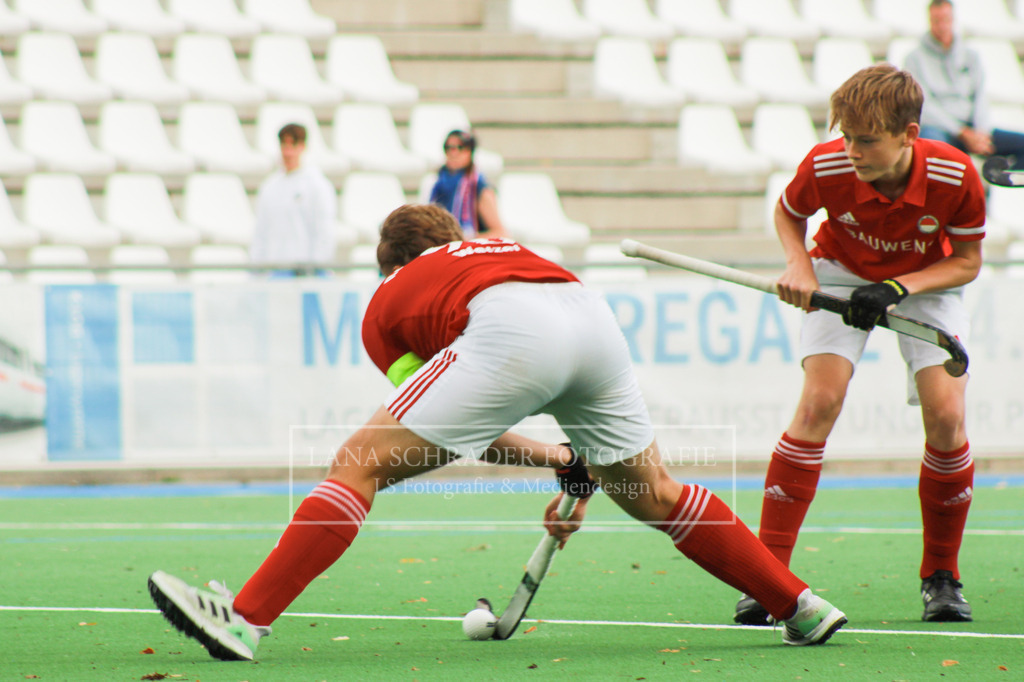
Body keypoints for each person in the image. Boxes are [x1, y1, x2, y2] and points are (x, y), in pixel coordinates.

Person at [148, 204, 847, 663]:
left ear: (389, 265)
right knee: (655, 494)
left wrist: (548, 456)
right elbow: (484, 403)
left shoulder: (390, 301)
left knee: (358, 463)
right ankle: (801, 607)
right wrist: (570, 459)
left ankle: (245, 619)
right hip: (590, 316)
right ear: (453, 242)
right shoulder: (496, 248)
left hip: (513, 326)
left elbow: (460, 427)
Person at [733, 64, 985, 627]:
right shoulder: (827, 163)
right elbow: (788, 211)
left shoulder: (954, 175)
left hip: (925, 279)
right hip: (841, 272)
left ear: (908, 136)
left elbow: (966, 262)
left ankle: (941, 577)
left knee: (947, 418)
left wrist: (898, 288)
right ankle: (768, 575)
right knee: (818, 404)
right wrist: (799, 266)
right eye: (845, 134)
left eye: (866, 139)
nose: (851, 149)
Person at [904, 0, 1024, 170]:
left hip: (973, 127)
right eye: (936, 20)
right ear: (929, 21)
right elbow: (924, 106)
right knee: (931, 148)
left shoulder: (970, 55)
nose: (942, 26)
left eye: (945, 19)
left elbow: (980, 96)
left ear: (953, 19)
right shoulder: (914, 59)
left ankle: (996, 177)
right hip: (940, 129)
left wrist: (981, 132)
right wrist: (961, 132)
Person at [249, 123, 337, 276]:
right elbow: (261, 233)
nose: (288, 152)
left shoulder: (317, 185)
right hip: (277, 272)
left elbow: (324, 232)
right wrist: (257, 271)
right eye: (284, 145)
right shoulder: (269, 187)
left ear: (302, 147)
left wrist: (313, 270)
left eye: (293, 144)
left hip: (307, 275)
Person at [428, 129, 508, 239]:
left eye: (460, 147)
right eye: (449, 148)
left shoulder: (480, 188)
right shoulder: (437, 184)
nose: (453, 153)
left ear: (470, 152)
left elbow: (500, 233)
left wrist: (468, 239)